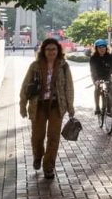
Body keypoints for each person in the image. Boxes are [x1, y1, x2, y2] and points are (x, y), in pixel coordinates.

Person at [19, 37, 75, 179]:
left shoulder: (64, 66)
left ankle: (48, 166)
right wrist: (22, 104)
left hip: (57, 105)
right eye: (48, 49)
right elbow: (26, 85)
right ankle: (38, 156)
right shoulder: (35, 65)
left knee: (53, 137)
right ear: (43, 50)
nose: (51, 52)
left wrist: (70, 106)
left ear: (58, 51)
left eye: (54, 49)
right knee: (37, 137)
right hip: (38, 106)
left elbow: (69, 87)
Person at [89, 38, 112, 116]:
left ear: (106, 48)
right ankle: (97, 107)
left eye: (103, 47)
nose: (102, 49)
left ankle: (109, 109)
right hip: (97, 77)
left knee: (111, 89)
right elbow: (93, 71)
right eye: (99, 47)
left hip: (107, 76)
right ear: (96, 48)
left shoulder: (110, 57)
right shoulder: (93, 58)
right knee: (97, 88)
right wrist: (95, 80)